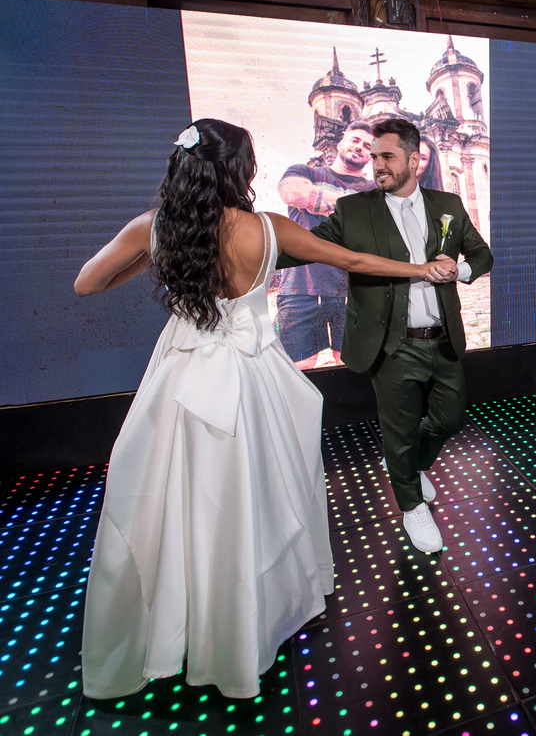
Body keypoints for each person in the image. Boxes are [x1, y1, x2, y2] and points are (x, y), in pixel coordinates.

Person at [73, 119, 452, 700]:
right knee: (260, 491)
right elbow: (353, 261)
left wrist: (150, 255)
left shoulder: (156, 227)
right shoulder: (267, 228)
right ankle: (252, 616)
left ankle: (182, 618)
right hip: (254, 376)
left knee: (178, 495)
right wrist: (420, 269)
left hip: (181, 375)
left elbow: (88, 284)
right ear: (238, 170)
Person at [277, 117, 493, 553]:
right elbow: (304, 247)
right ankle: (411, 505)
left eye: (387, 156)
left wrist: (459, 270)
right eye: (374, 156)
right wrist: (251, 246)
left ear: (413, 160)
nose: (377, 164)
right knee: (399, 430)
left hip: (444, 338)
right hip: (391, 343)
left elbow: (482, 255)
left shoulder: (447, 204)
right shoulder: (353, 209)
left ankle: (409, 467)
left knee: (450, 419)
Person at [275, 120, 376, 368]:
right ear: (341, 143)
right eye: (355, 140)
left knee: (352, 369)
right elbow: (293, 193)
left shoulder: (375, 190)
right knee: (297, 368)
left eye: (367, 146)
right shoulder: (306, 172)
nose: (360, 147)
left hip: (354, 293)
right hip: (300, 288)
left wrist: (322, 202)